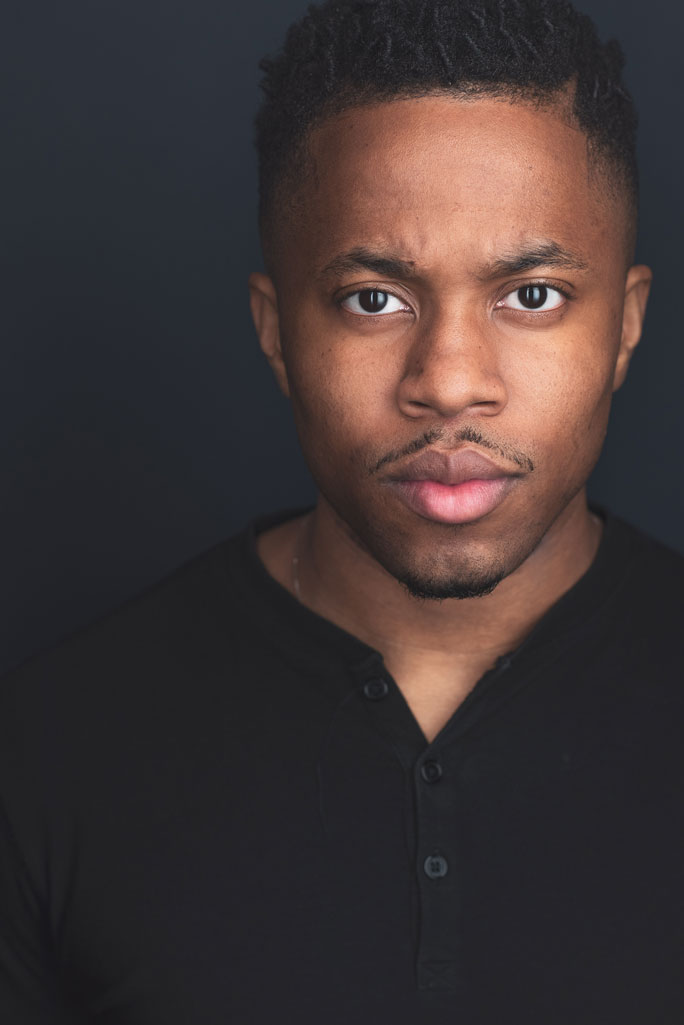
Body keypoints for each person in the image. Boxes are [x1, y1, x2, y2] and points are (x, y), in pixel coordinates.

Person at [2, 0, 683, 1021]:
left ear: (625, 325)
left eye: (532, 294)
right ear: (276, 332)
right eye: (375, 298)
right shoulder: (48, 750)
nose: (449, 382)